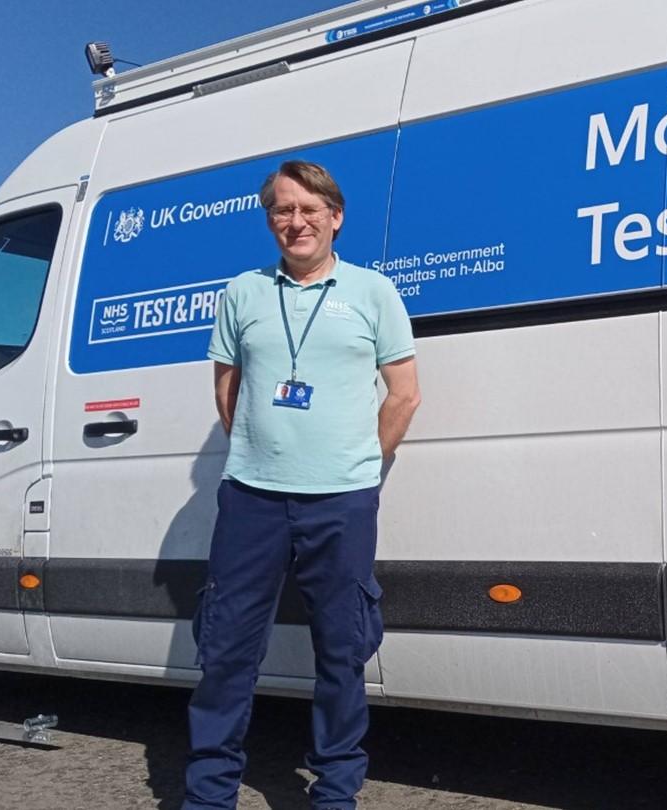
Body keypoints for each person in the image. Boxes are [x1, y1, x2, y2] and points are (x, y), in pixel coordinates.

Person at [183, 160, 420, 810]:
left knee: (341, 653)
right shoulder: (243, 293)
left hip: (341, 503)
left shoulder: (373, 293)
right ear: (270, 220)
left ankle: (335, 793)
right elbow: (227, 392)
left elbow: (404, 395)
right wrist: (264, 451)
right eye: (283, 210)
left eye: (309, 209)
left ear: (335, 217)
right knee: (227, 652)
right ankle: (207, 796)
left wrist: (357, 467)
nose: (296, 221)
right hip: (252, 500)